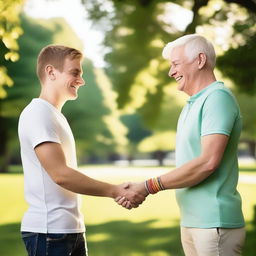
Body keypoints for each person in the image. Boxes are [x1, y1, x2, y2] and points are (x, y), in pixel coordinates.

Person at [118, 34, 245, 256]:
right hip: (192, 221)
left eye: (176, 64)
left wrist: (148, 186)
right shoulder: (191, 104)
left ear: (200, 60)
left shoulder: (217, 98)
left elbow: (207, 162)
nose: (171, 72)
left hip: (214, 223)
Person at [18, 45, 145, 256]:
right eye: (74, 72)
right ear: (51, 72)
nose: (81, 80)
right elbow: (61, 175)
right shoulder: (38, 113)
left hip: (68, 229)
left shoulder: (54, 115)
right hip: (49, 231)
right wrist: (115, 191)